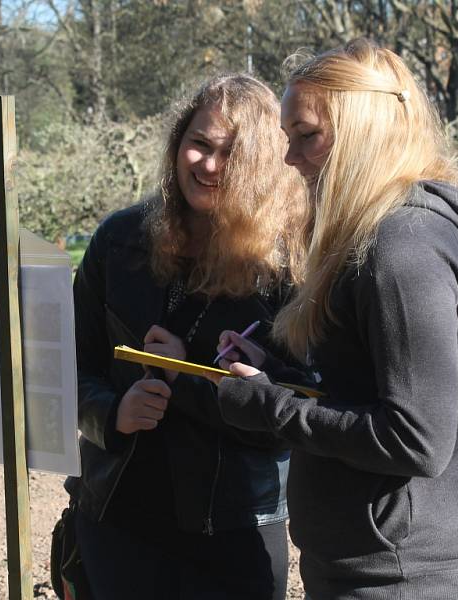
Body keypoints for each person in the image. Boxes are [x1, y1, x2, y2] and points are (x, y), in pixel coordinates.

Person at [209, 39, 458, 600]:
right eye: (289, 138)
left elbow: (416, 439)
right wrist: (281, 376)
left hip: (409, 579)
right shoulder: (389, 236)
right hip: (392, 569)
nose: (290, 158)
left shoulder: (399, 248)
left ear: (365, 130)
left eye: (307, 135)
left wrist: (270, 408)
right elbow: (370, 392)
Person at [65, 73, 309, 600]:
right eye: (199, 144)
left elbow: (296, 413)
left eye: (231, 154)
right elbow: (66, 365)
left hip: (236, 529)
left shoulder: (288, 263)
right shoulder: (119, 240)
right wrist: (110, 413)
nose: (210, 165)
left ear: (263, 165)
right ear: (178, 143)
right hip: (117, 514)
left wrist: (189, 380)